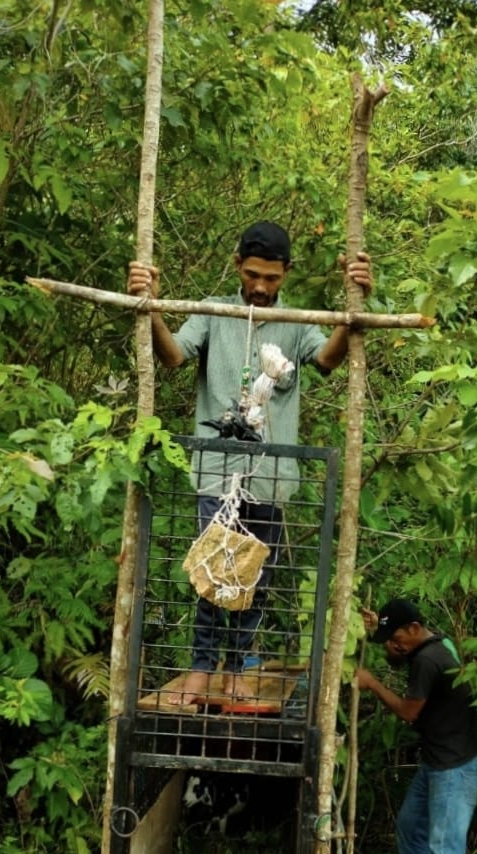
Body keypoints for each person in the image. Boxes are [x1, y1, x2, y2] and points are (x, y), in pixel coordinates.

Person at [128, 221, 372, 705]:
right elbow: (173, 355)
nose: (260, 286)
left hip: (270, 478)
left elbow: (327, 359)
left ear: (287, 274)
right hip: (216, 472)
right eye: (252, 275)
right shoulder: (213, 312)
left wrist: (354, 310)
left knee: (254, 574)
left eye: (271, 278)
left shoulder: (296, 322)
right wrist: (149, 306)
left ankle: (238, 664)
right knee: (211, 570)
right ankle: (202, 667)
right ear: (237, 264)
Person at [355, 598, 477, 854]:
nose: (393, 647)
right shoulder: (439, 643)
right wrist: (377, 630)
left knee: (445, 845)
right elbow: (400, 655)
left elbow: (409, 712)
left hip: (454, 768)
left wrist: (372, 684)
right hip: (437, 761)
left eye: (396, 639)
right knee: (411, 826)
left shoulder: (428, 660)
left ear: (414, 629)